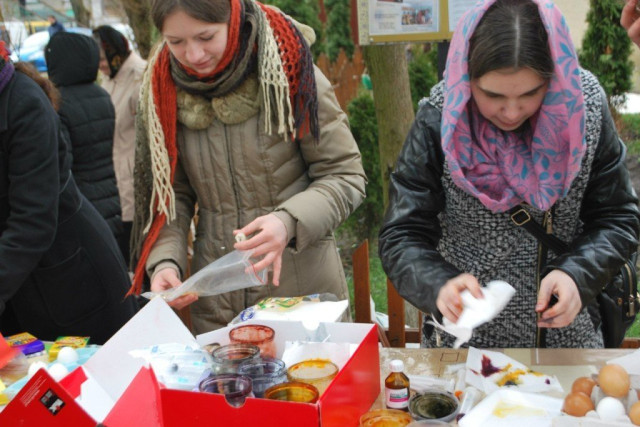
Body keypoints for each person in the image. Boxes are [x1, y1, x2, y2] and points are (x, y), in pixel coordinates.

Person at [378, 0, 640, 349]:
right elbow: (401, 233)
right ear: (466, 76)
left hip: (566, 344)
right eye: (493, 95)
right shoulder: (441, 118)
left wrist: (577, 274)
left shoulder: (584, 106)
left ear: (552, 76)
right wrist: (438, 283)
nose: (512, 111)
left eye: (531, 92)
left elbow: (618, 218)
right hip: (464, 348)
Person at [130, 0, 366, 333]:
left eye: (205, 37)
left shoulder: (291, 70)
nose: (193, 55)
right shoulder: (163, 90)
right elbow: (172, 195)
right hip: (217, 303)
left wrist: (287, 222)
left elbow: (345, 176)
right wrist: (165, 262)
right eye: (176, 42)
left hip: (299, 296)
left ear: (233, 19)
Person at [0, 42, 138, 344]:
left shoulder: (24, 103)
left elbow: (32, 220)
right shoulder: (99, 94)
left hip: (71, 279)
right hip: (21, 281)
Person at [44, 31, 124, 244]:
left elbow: (63, 165)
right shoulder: (102, 95)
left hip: (82, 205)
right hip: (111, 196)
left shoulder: (60, 103)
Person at [92, 25, 147, 268]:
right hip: (113, 173)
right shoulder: (109, 77)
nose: (100, 66)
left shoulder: (140, 77)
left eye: (103, 60)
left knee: (136, 246)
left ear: (116, 52)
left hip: (134, 175)